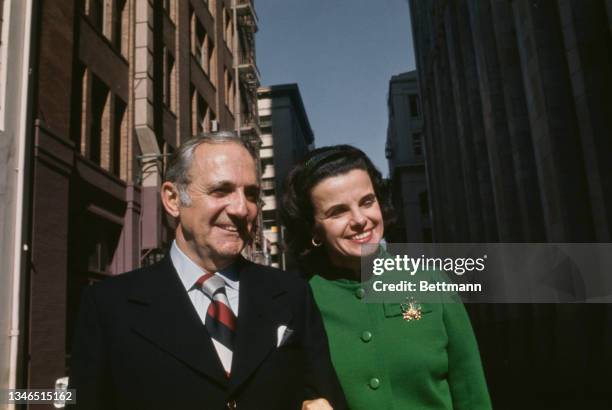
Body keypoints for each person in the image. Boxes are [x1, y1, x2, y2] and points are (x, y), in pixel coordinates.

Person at [70, 132, 347, 410]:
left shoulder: (292, 293)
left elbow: (324, 395)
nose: (242, 209)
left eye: (251, 194)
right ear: (173, 199)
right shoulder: (108, 305)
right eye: (220, 191)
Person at [281, 145, 492, 410]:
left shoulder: (430, 281)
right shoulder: (299, 302)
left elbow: (472, 392)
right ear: (313, 229)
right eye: (338, 212)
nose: (360, 219)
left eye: (367, 201)